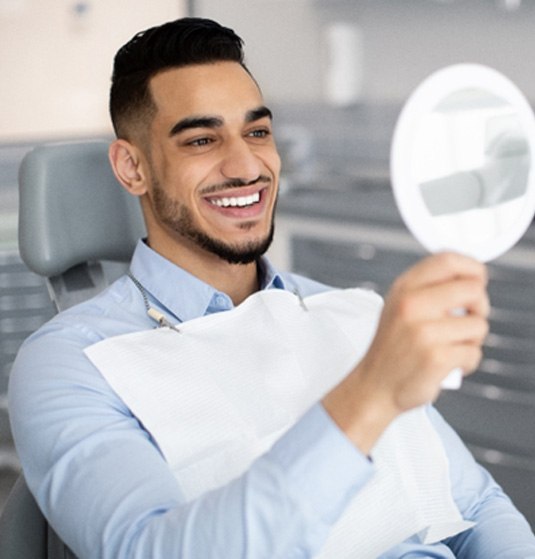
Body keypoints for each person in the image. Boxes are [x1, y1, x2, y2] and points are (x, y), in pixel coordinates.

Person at [8, 17, 535, 559]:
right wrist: (370, 393)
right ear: (132, 167)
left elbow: (477, 508)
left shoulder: (348, 312)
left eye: (257, 132)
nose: (246, 166)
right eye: (201, 139)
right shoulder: (71, 364)